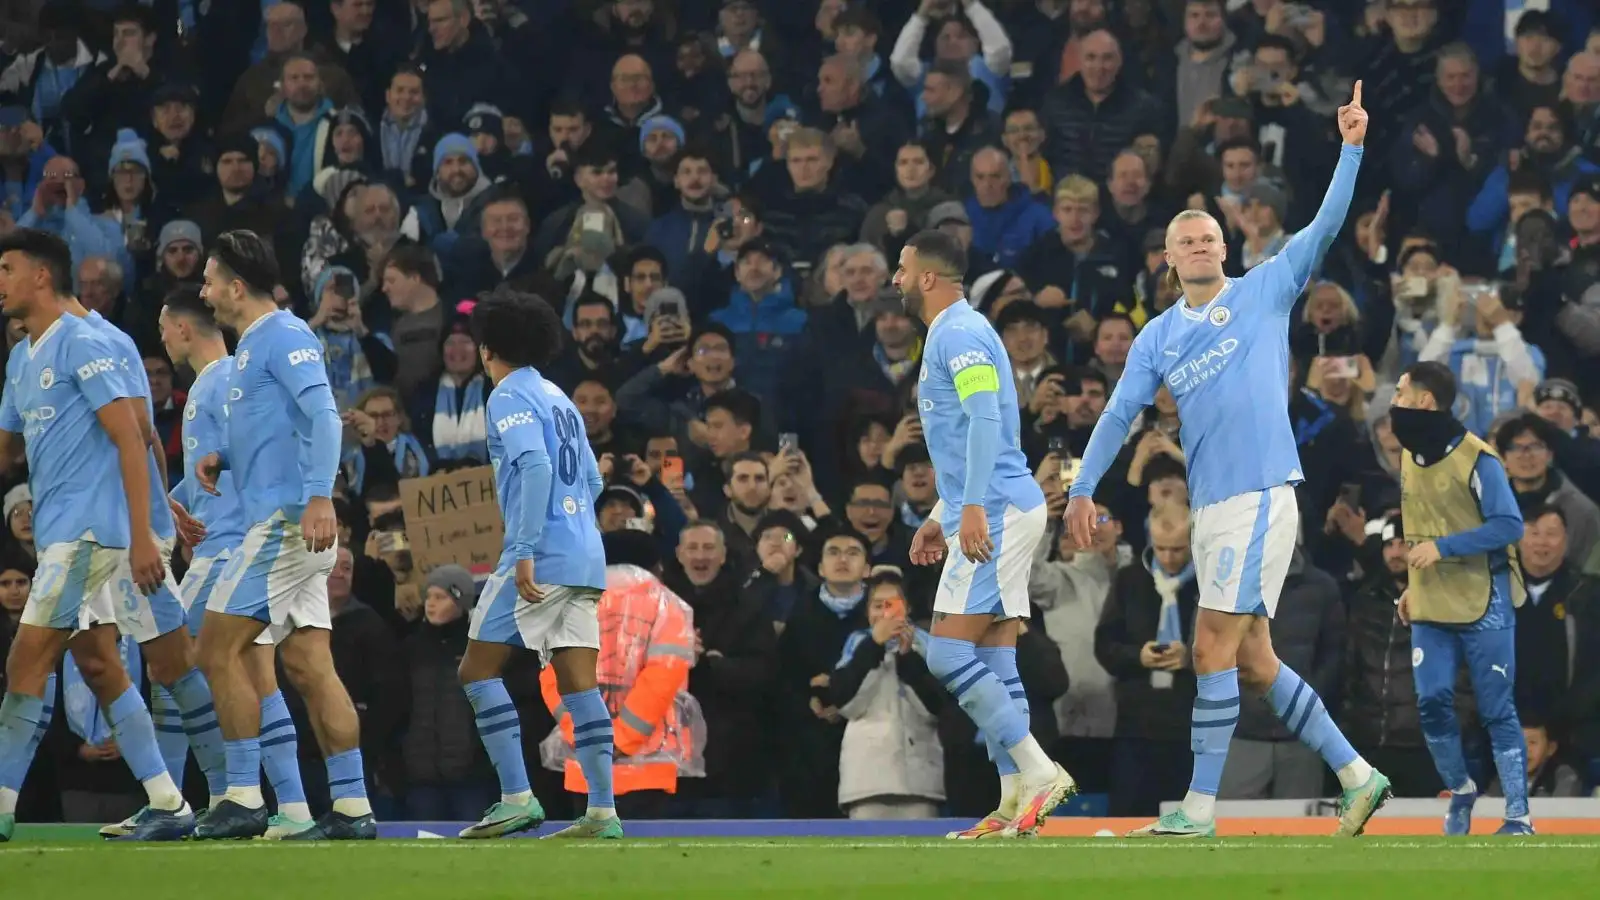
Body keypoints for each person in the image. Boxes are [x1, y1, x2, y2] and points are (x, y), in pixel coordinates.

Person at [1063, 84, 1390, 839]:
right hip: (1212, 504)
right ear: (1169, 259)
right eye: (1188, 241)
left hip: (1260, 493)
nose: (1202, 246)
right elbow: (1118, 414)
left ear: (1224, 246)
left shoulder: (1267, 289)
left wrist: (1351, 147)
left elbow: (1327, 226)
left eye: (1210, 236)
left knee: (1210, 643)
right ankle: (1359, 774)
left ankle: (1199, 810)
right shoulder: (1156, 339)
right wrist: (1082, 485)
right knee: (1254, 661)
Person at [0, 229, 192, 842]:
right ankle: (169, 801)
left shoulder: (84, 342)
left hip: (89, 535)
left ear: (41, 277)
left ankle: (0, 806)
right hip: (59, 534)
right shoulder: (21, 356)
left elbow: (133, 439)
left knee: (25, 661)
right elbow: (6, 450)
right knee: (100, 663)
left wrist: (142, 536)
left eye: (6, 268)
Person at [191, 230, 373, 841]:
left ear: (237, 288)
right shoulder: (252, 347)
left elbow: (324, 414)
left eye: (211, 279)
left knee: (217, 649)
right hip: (290, 520)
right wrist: (226, 459)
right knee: (309, 665)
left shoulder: (285, 334)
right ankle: (351, 808)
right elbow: (282, 431)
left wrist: (322, 494)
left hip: (285, 525)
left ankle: (242, 796)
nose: (204, 290)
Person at [895, 228, 1074, 840]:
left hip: (995, 508)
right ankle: (1011, 807)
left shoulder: (961, 333)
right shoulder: (952, 332)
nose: (895, 278)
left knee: (947, 652)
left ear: (925, 277)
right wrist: (941, 515)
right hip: (992, 503)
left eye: (901, 268)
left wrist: (968, 508)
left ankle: (1040, 772)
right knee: (997, 655)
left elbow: (984, 419)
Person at [60, 285, 227, 838]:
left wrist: (153, 520)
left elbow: (141, 438)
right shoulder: (60, 346)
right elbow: (152, 441)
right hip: (119, 530)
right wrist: (169, 504)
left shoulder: (97, 344)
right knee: (163, 668)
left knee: (170, 664)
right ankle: (192, 797)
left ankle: (223, 796)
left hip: (125, 537)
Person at [456, 286, 617, 840]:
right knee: (579, 684)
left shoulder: (506, 396)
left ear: (486, 347)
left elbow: (534, 465)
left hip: (540, 554)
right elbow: (592, 479)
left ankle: (516, 798)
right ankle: (601, 812)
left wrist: (524, 548)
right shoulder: (557, 395)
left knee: (475, 671)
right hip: (585, 554)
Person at [158, 285, 314, 839]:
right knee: (256, 676)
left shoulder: (224, 379)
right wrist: (170, 503)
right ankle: (288, 806)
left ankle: (195, 800)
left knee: (170, 663)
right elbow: (211, 472)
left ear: (179, 328)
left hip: (229, 547)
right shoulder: (216, 381)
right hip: (235, 545)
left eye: (163, 329)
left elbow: (248, 458)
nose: (163, 341)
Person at [1390, 361, 1534, 836]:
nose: (1393, 400)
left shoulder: (1478, 459)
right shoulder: (1409, 456)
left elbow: (1509, 525)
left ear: (1423, 401)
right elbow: (1421, 528)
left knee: (1496, 708)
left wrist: (1445, 548)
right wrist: (1413, 585)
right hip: (1431, 597)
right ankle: (1461, 790)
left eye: (1400, 392)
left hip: (1483, 596)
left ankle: (1518, 813)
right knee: (1430, 699)